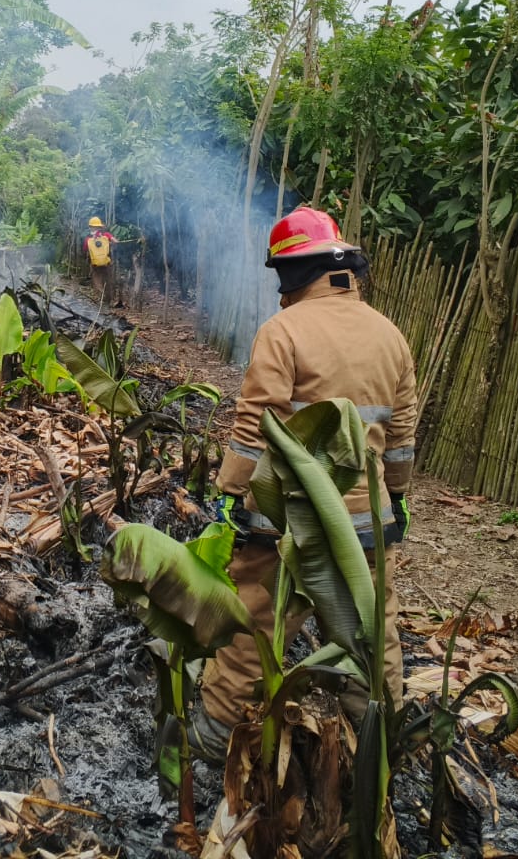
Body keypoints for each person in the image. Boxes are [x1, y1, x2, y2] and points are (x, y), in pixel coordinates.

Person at [192, 206, 417, 755]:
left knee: (254, 625)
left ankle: (216, 736)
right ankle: (377, 745)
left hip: (285, 520)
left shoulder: (283, 331)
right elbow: (401, 433)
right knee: (372, 634)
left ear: (294, 272)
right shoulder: (391, 335)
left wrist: (230, 493)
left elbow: (256, 423)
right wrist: (397, 495)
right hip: (365, 522)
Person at [83, 216, 119, 304]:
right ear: (99, 227)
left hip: (95, 264)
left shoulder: (88, 239)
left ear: (90, 227)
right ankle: (109, 300)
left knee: (97, 281)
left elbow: (85, 249)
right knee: (108, 281)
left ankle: (101, 299)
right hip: (106, 262)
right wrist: (113, 242)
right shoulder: (106, 235)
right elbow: (115, 241)